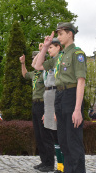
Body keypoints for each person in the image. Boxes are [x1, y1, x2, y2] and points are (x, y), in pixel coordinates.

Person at [34, 22, 86, 173]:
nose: (58, 37)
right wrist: (45, 47)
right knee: (63, 141)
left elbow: (81, 81)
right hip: (60, 96)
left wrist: (77, 109)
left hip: (71, 95)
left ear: (70, 34)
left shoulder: (78, 54)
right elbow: (38, 66)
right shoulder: (60, 56)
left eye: (61, 33)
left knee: (73, 141)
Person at [20, 51, 54, 172]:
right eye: (33, 58)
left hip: (44, 104)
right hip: (35, 104)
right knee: (39, 135)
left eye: (36, 57)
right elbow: (24, 75)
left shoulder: (46, 72)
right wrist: (23, 64)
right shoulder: (35, 73)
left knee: (46, 135)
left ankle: (50, 163)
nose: (34, 60)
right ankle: (44, 161)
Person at [34, 38, 65, 173]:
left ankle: (62, 165)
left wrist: (53, 111)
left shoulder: (61, 59)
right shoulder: (52, 61)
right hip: (48, 97)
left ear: (58, 47)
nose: (49, 50)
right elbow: (36, 65)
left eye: (51, 47)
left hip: (55, 94)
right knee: (53, 135)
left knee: (58, 134)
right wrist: (45, 48)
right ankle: (60, 165)